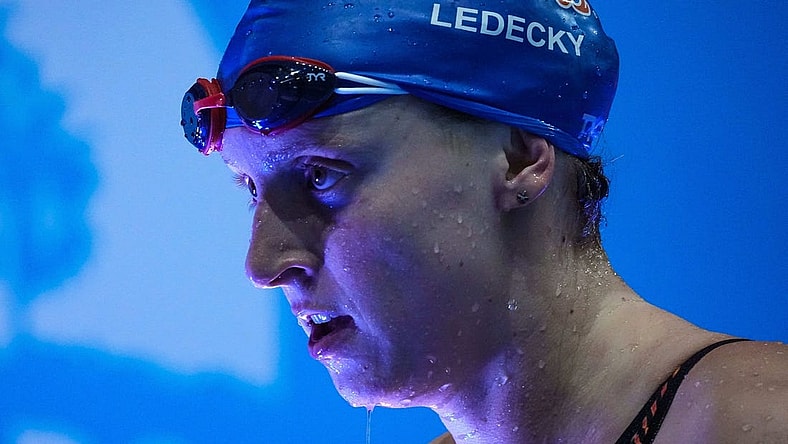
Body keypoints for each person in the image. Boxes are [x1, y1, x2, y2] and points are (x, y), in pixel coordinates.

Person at [180, 1, 787, 442]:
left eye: (321, 175)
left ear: (520, 159)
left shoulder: (758, 421)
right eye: (250, 187)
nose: (263, 264)